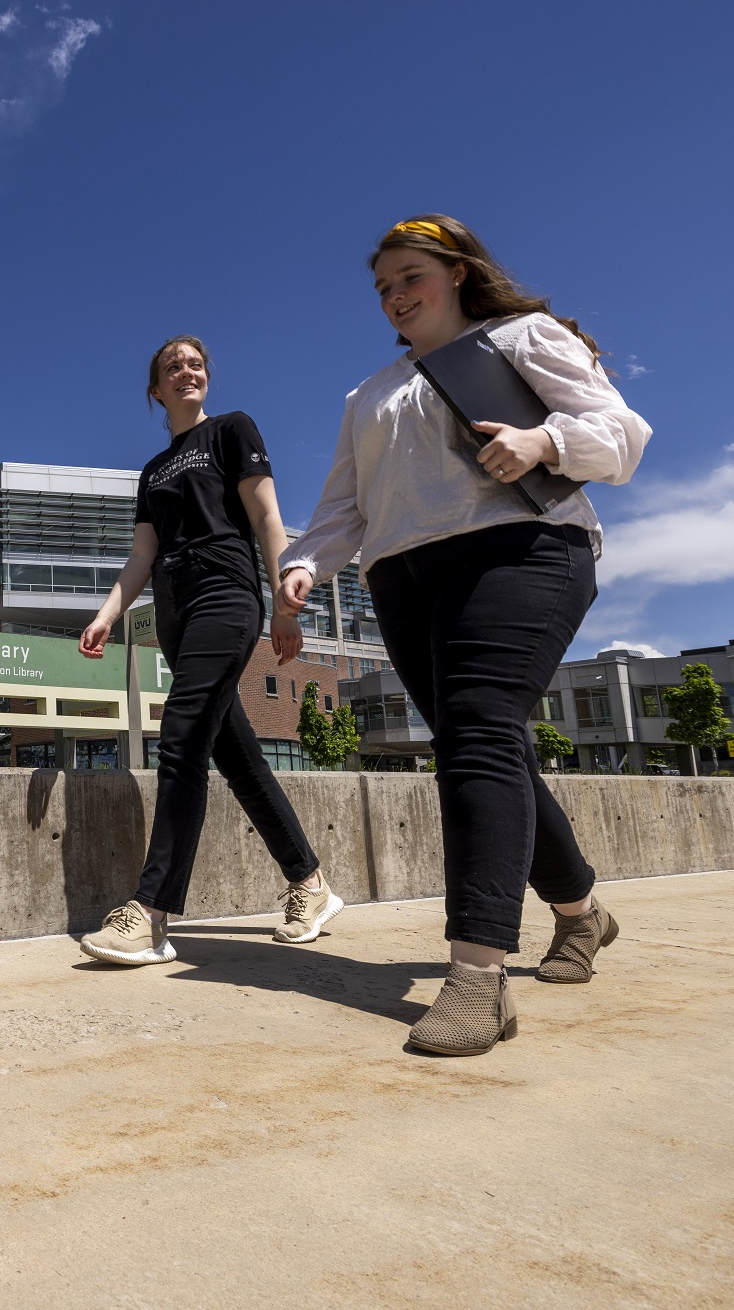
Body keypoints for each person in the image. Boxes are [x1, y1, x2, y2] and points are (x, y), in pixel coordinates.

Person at [279, 215, 651, 1055]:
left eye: (409, 276)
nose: (395, 297)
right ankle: (583, 915)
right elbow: (346, 504)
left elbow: (621, 434)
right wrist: (308, 563)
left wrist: (542, 438)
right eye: (382, 288)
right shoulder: (367, 395)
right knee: (491, 744)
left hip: (522, 549)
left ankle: (477, 977)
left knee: (477, 735)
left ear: (454, 273)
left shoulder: (520, 336)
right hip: (403, 577)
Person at [76, 336, 341, 966]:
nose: (186, 371)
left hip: (225, 595)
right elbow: (141, 555)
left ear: (205, 378)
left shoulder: (230, 430)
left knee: (182, 736)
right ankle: (310, 882)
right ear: (155, 389)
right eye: (173, 366)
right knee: (240, 759)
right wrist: (107, 615)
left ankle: (151, 913)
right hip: (175, 610)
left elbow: (265, 517)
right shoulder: (152, 472)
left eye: (195, 364)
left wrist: (283, 600)